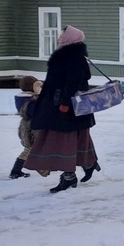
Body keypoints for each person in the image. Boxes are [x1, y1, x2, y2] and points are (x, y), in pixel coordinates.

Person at [24, 25, 102, 193]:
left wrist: (65, 103)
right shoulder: (68, 55)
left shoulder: (73, 57)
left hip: (67, 106)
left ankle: (69, 177)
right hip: (64, 105)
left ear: (70, 38)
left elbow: (73, 83)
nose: (59, 38)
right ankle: (87, 164)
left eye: (62, 35)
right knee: (77, 137)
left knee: (65, 140)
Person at [9, 75, 43, 179]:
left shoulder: (26, 99)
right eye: (37, 86)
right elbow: (35, 113)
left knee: (32, 149)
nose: (39, 89)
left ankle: (42, 167)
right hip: (31, 129)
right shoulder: (29, 101)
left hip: (29, 127)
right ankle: (16, 171)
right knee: (30, 149)